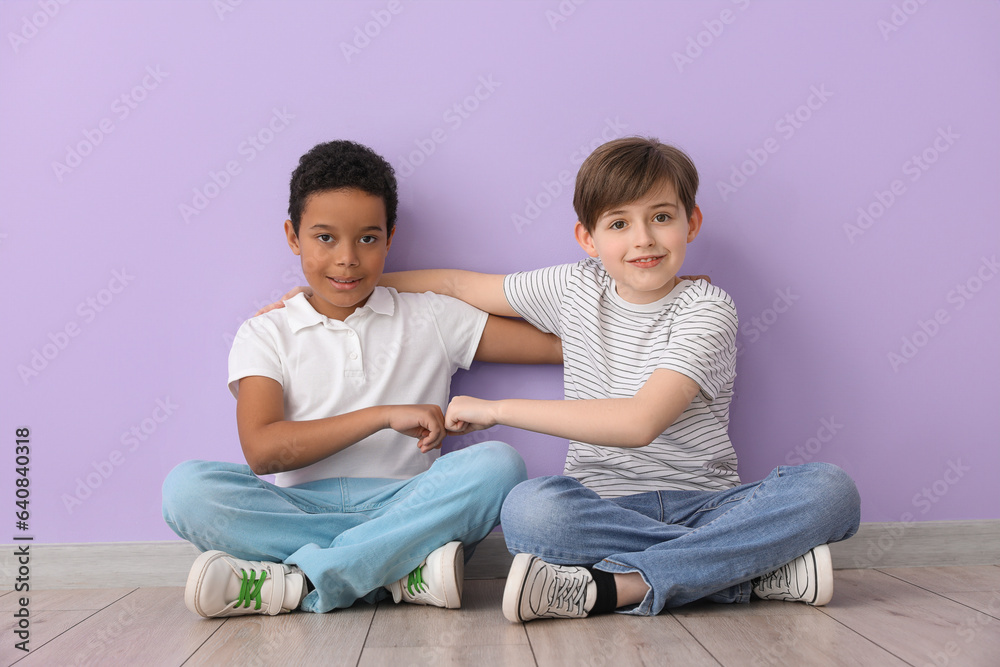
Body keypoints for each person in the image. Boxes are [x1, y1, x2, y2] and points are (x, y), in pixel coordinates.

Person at [378, 136, 861, 622]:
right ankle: (744, 571)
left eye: (662, 217)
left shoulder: (708, 308)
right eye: (618, 223)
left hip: (709, 506)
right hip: (601, 507)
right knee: (530, 510)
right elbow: (457, 286)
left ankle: (617, 586)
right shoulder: (573, 287)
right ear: (588, 238)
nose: (643, 239)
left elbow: (639, 423)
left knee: (830, 490)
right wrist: (346, 288)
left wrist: (498, 410)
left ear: (690, 224)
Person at [161, 140, 562, 617]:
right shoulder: (266, 331)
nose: (347, 258)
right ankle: (396, 575)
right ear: (293, 237)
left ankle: (298, 581)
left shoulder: (431, 315)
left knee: (498, 465)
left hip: (407, 505)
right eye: (325, 238)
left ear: (390, 237)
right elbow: (263, 452)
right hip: (301, 511)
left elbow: (557, 345)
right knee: (185, 489)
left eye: (367, 239)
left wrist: (649, 297)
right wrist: (380, 416)